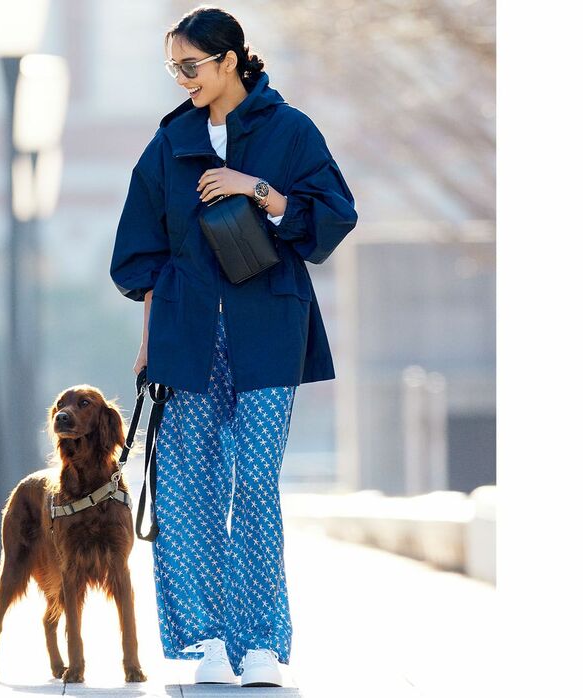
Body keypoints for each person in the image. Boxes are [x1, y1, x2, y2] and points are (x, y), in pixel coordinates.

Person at [108, 5, 358, 689]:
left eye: (190, 66)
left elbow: (334, 216)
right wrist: (149, 341)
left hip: (269, 333)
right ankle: (210, 641)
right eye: (173, 68)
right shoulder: (170, 143)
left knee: (254, 483)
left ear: (229, 60)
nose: (181, 79)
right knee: (187, 489)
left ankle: (262, 645)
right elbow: (141, 255)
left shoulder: (290, 131)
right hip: (186, 338)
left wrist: (260, 191)